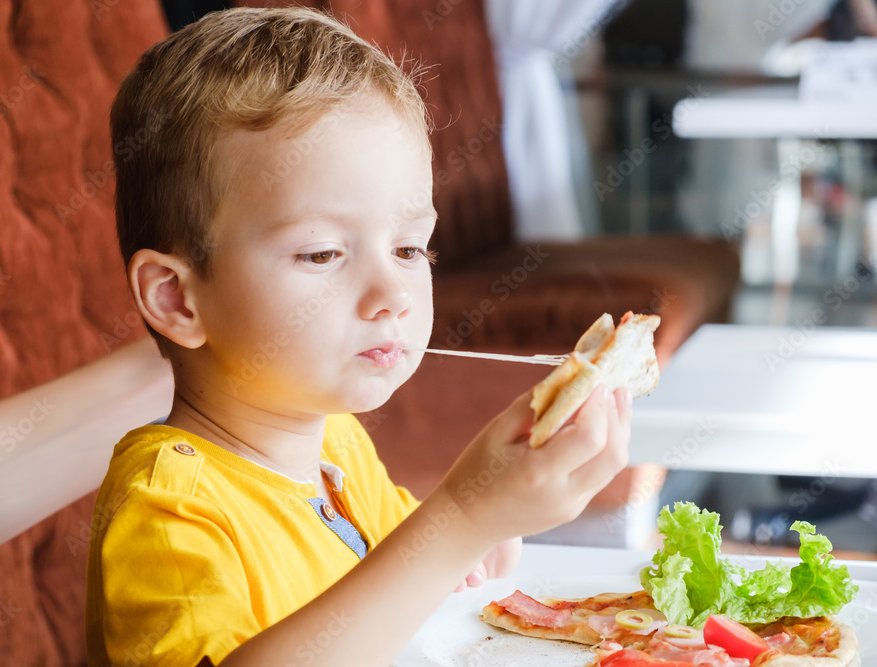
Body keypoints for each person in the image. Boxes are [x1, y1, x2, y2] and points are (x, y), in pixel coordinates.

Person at [85, 7, 632, 667]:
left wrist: (477, 538)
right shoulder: (169, 510)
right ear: (176, 298)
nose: (393, 295)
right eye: (321, 254)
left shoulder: (337, 442)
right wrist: (460, 519)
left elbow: (401, 590)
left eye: (408, 248)